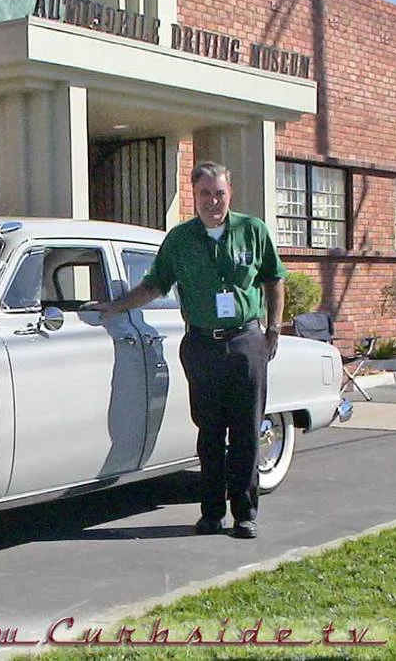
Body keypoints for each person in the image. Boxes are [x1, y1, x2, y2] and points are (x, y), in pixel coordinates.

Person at [96, 161, 286, 539]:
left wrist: (273, 328)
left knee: (246, 431)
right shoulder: (180, 240)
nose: (213, 201)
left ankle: (244, 514)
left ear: (229, 194)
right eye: (205, 194)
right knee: (210, 432)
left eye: (219, 193)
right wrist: (115, 306)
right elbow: (155, 285)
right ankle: (211, 513)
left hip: (246, 341)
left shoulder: (253, 231)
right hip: (202, 345)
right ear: (193, 196)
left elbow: (273, 278)